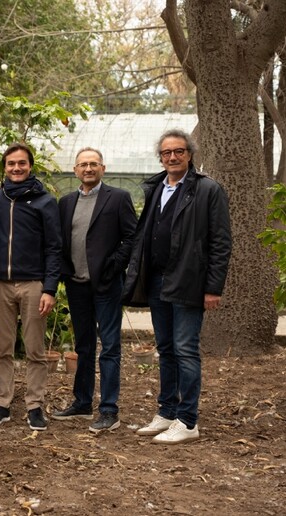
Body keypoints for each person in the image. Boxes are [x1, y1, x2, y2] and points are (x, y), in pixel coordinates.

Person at [123, 129, 231, 445]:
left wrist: (213, 287)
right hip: (157, 281)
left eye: (179, 151)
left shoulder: (208, 190)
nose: (173, 157)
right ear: (161, 156)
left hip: (189, 282)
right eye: (167, 152)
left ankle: (188, 421)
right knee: (166, 348)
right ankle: (167, 412)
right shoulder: (157, 188)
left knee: (185, 349)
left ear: (189, 155)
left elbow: (221, 242)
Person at [51, 147, 136, 433]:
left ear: (103, 168)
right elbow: (60, 241)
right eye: (83, 164)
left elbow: (131, 237)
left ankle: (109, 410)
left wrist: (113, 266)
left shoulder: (118, 198)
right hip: (76, 285)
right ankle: (82, 402)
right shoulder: (65, 202)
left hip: (107, 285)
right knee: (83, 346)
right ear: (75, 170)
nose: (88, 169)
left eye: (93, 164)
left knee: (110, 347)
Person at [0, 142, 62, 431]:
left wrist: (49, 288)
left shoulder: (45, 201)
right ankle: (1, 403)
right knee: (3, 349)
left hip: (33, 285)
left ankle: (34, 405)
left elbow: (55, 247)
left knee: (34, 349)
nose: (16, 168)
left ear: (31, 166)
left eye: (22, 163)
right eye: (11, 164)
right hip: (1, 285)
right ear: (4, 168)